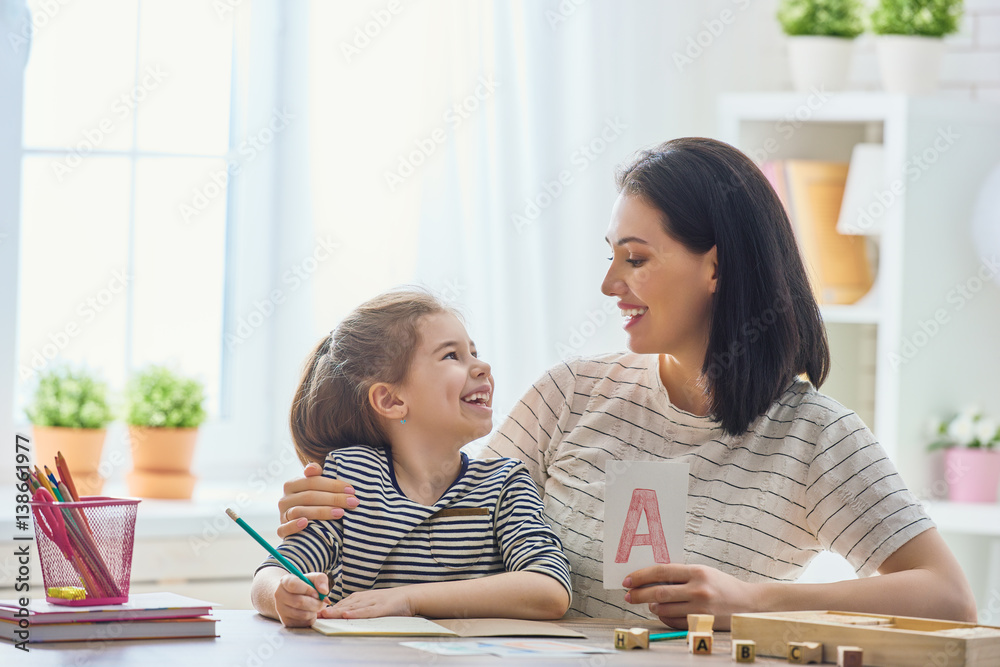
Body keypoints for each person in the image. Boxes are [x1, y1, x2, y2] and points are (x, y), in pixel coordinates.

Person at [275, 138, 978, 629]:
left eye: (635, 259)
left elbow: (947, 596)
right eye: (611, 257)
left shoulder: (813, 436)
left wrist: (754, 599)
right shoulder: (571, 394)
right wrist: (341, 494)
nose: (610, 284)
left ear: (716, 265)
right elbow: (451, 521)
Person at [251, 289, 572, 628]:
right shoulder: (352, 478)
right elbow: (270, 575)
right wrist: (283, 595)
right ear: (391, 401)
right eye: (452, 356)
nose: (482, 366)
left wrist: (408, 599)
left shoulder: (504, 482)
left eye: (474, 352)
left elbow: (549, 589)